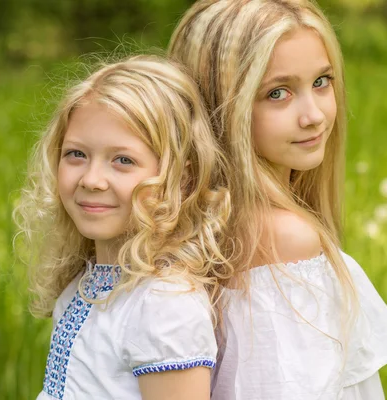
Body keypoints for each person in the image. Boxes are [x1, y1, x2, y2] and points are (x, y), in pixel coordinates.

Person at [168, 1, 387, 398]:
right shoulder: (284, 239)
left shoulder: (194, 225)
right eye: (278, 93)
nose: (313, 115)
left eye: (322, 81)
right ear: (220, 108)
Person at [13, 55, 232, 400]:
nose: (92, 179)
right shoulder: (87, 282)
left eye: (123, 160)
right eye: (76, 155)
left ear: (181, 178)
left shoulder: (164, 305)